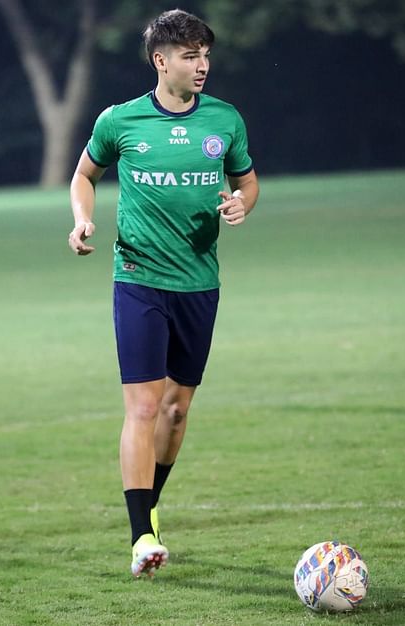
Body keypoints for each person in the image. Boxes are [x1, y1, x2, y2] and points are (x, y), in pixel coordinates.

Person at [68, 9, 259, 579]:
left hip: (200, 284)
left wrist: (240, 204)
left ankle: (150, 502)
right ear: (161, 60)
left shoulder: (225, 120)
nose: (202, 66)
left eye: (206, 55)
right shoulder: (120, 121)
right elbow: (84, 174)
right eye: (189, 56)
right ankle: (141, 536)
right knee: (145, 407)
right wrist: (81, 220)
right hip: (138, 279)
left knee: (176, 412)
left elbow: (246, 181)